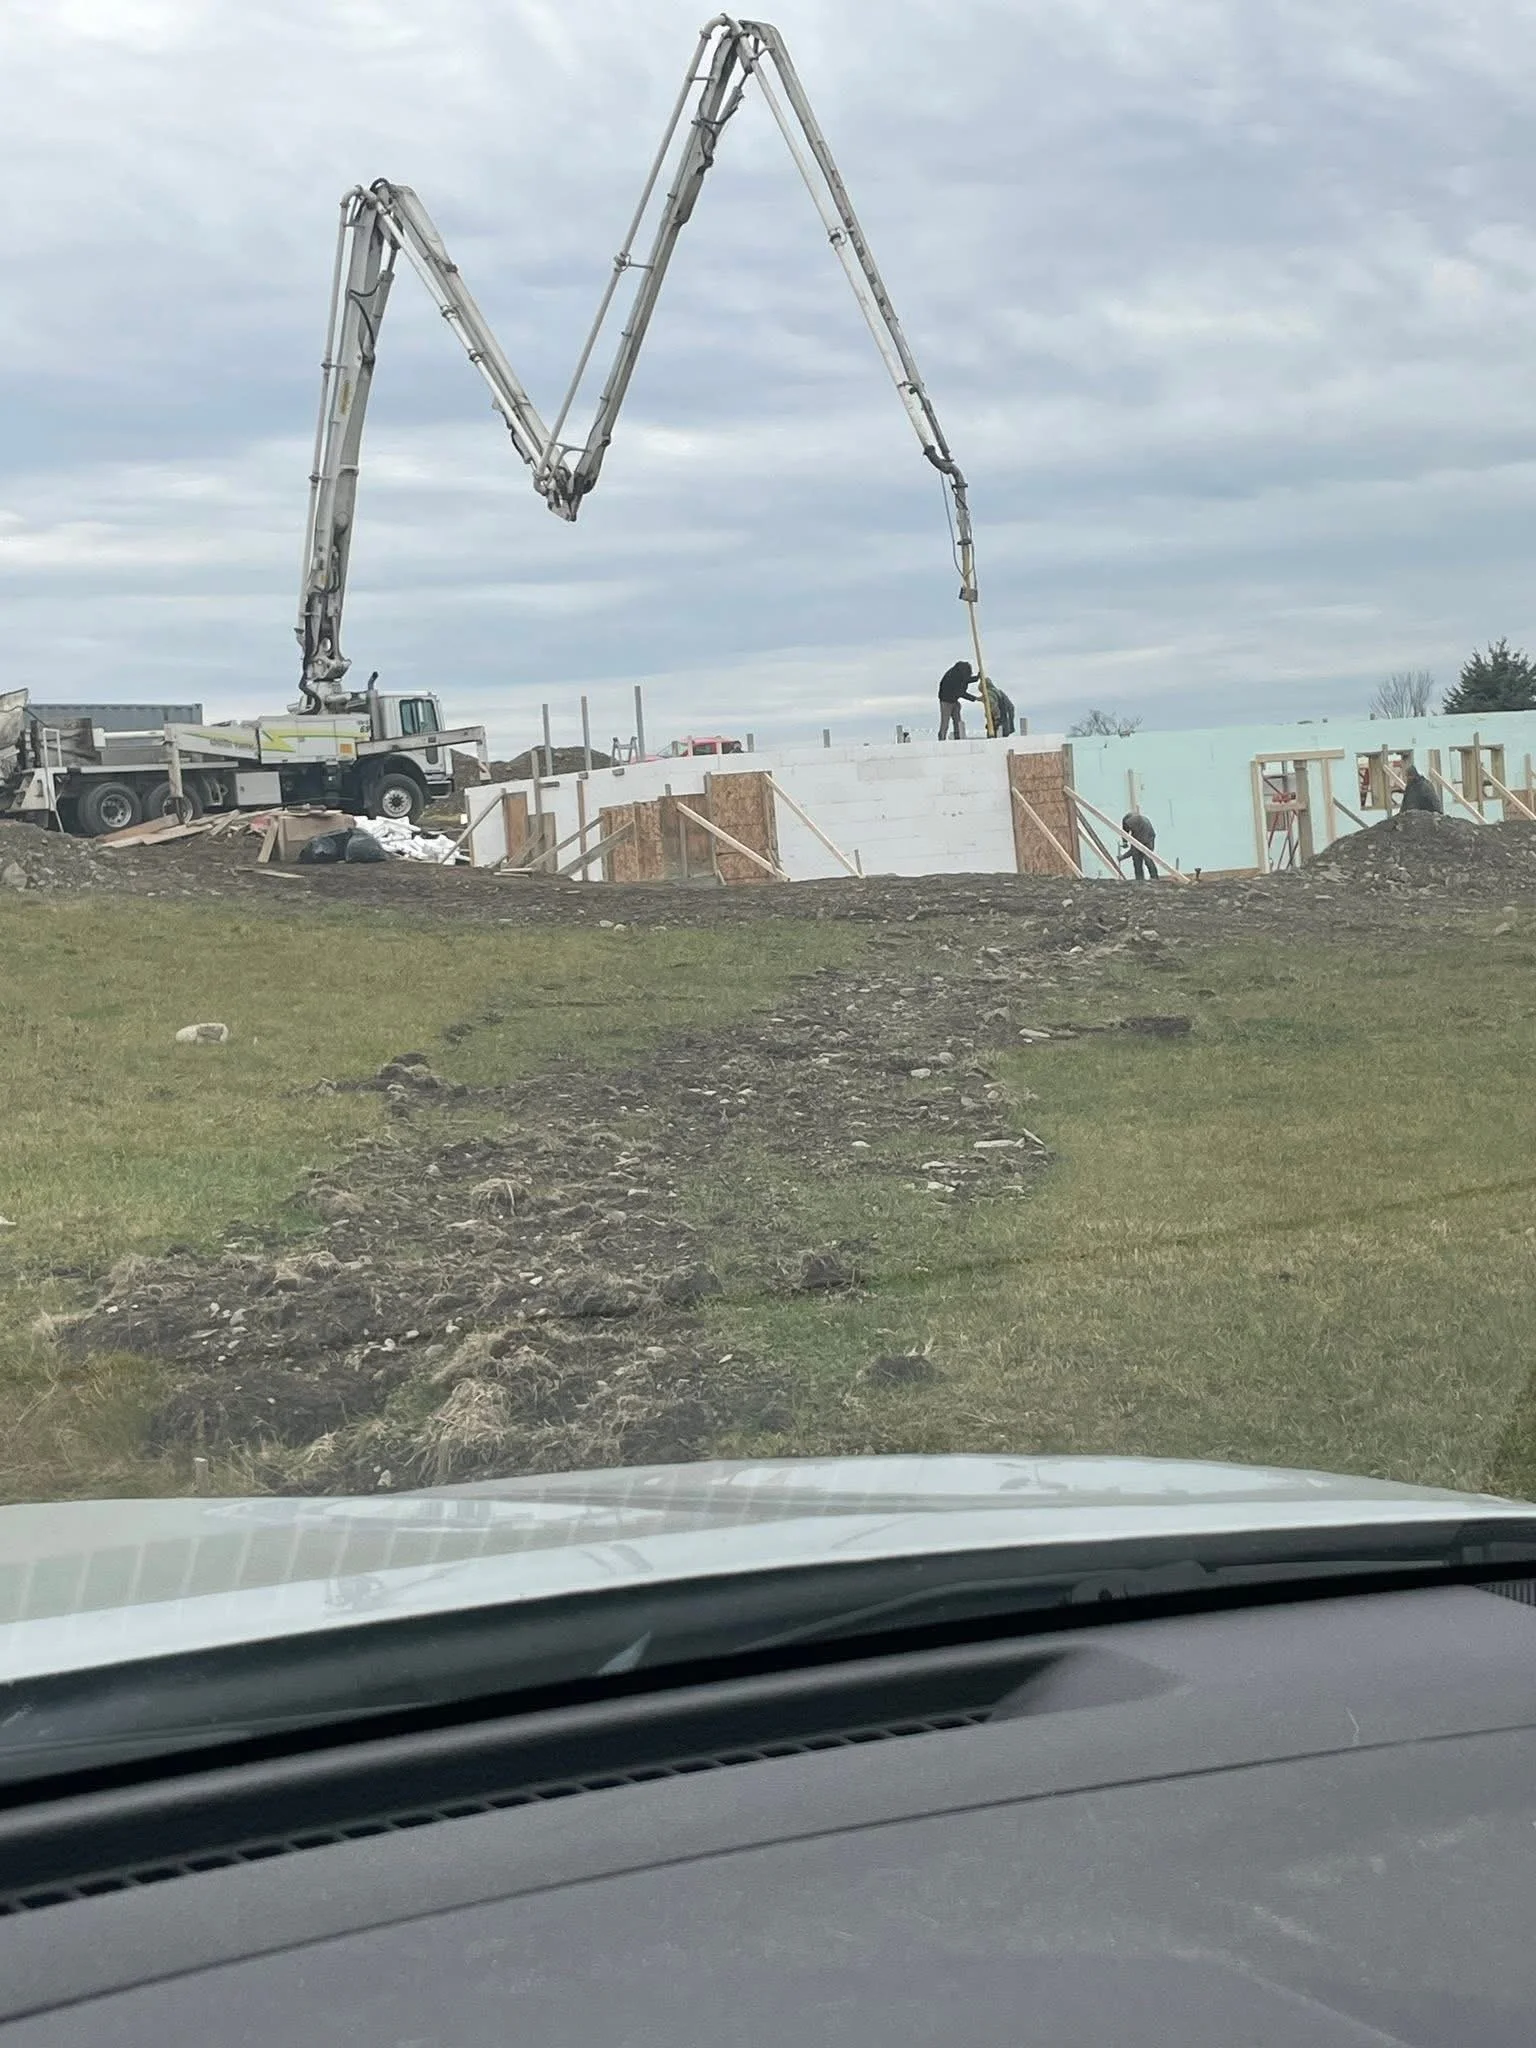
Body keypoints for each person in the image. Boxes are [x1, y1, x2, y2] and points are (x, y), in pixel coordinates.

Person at [937, 661, 977, 739]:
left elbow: (965, 680)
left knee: (957, 721)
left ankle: (958, 737)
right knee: (945, 722)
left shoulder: (959, 673)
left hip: (954, 700)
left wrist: (977, 678)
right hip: (946, 701)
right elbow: (960, 692)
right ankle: (942, 739)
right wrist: (975, 698)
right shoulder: (953, 676)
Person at [1120, 810, 1156, 880]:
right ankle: (1151, 878)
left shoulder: (1140, 830)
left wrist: (1122, 857)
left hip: (1147, 840)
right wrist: (1124, 841)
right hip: (1149, 837)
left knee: (1145, 859)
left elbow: (1133, 850)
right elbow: (1125, 831)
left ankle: (1146, 878)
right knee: (1141, 859)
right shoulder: (1138, 823)